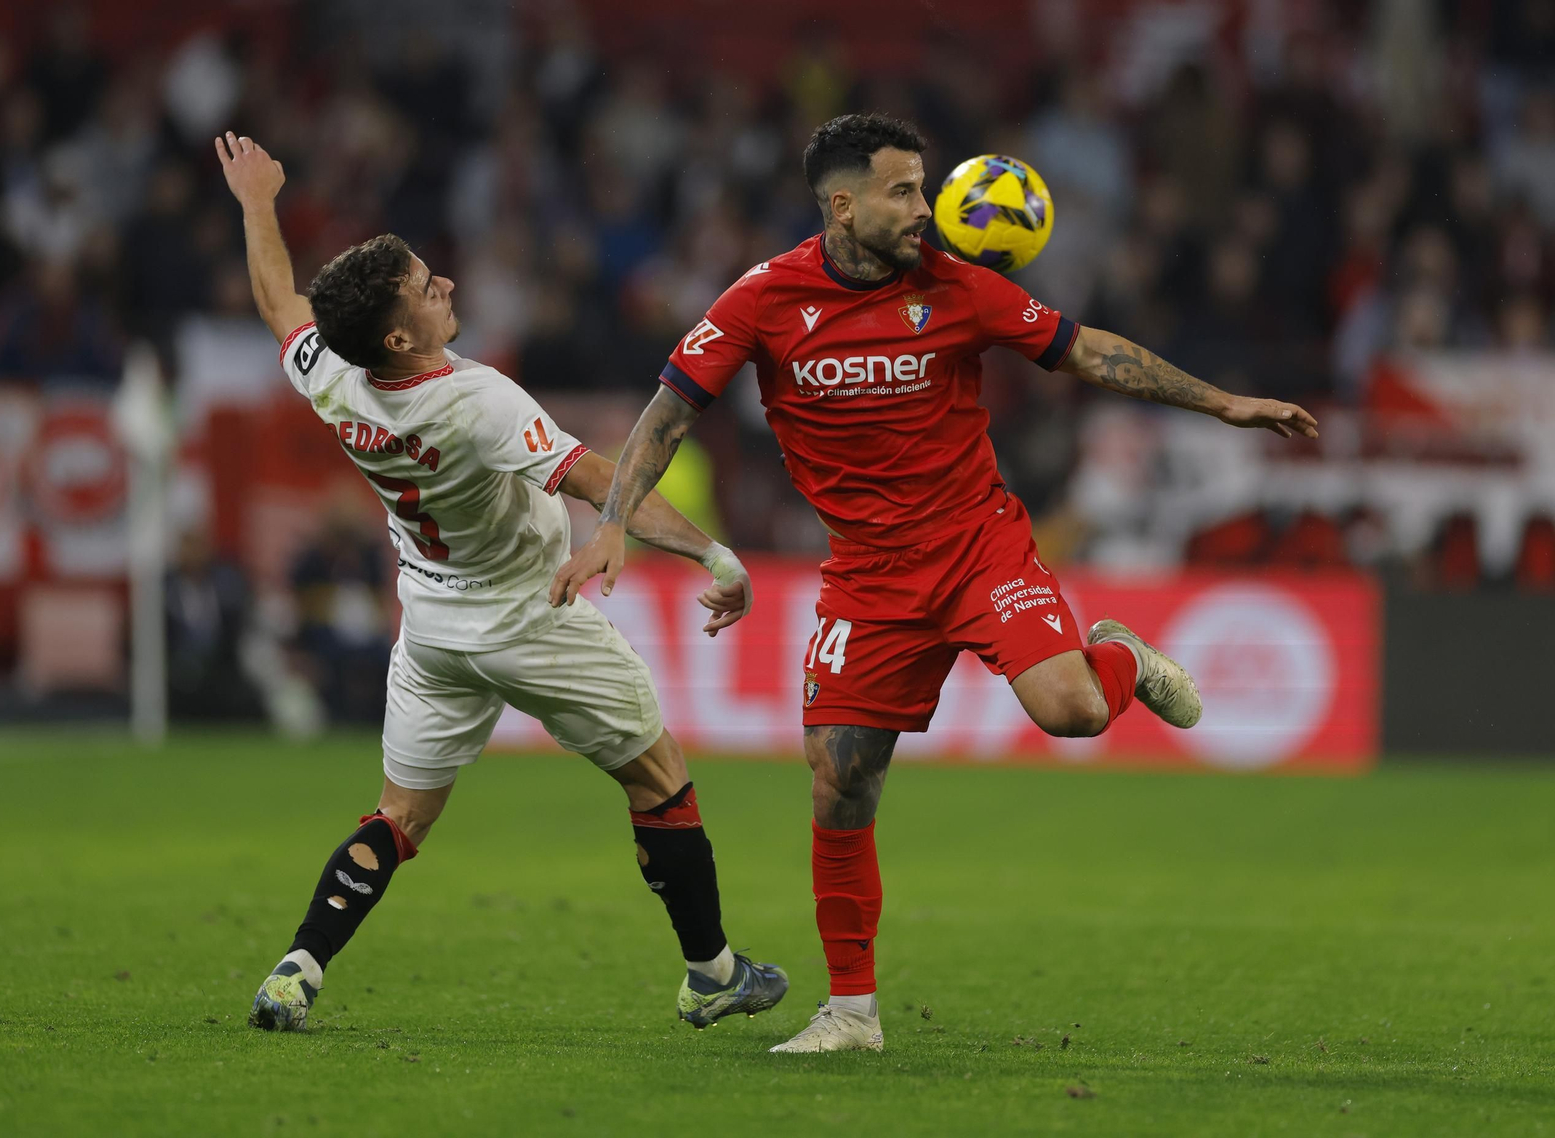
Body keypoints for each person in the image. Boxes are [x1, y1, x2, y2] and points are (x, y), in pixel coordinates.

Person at [552, 114, 1319, 1053]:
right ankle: (851, 1012)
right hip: (868, 576)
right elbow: (668, 414)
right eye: (905, 191)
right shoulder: (762, 299)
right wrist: (613, 522)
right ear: (842, 206)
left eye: (925, 186)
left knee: (1074, 711)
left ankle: (1119, 659)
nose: (928, 207)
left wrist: (1224, 403)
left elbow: (1087, 350)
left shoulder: (960, 286)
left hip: (976, 546)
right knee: (839, 779)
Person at [214, 131, 787, 1033]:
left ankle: (298, 967)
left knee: (399, 817)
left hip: (431, 624)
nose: (445, 283)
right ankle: (713, 973)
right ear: (398, 335)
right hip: (527, 613)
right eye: (425, 286)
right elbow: (599, 479)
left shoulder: (337, 379)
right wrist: (713, 554)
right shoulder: (476, 402)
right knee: (659, 779)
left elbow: (277, 301)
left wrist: (256, 203)